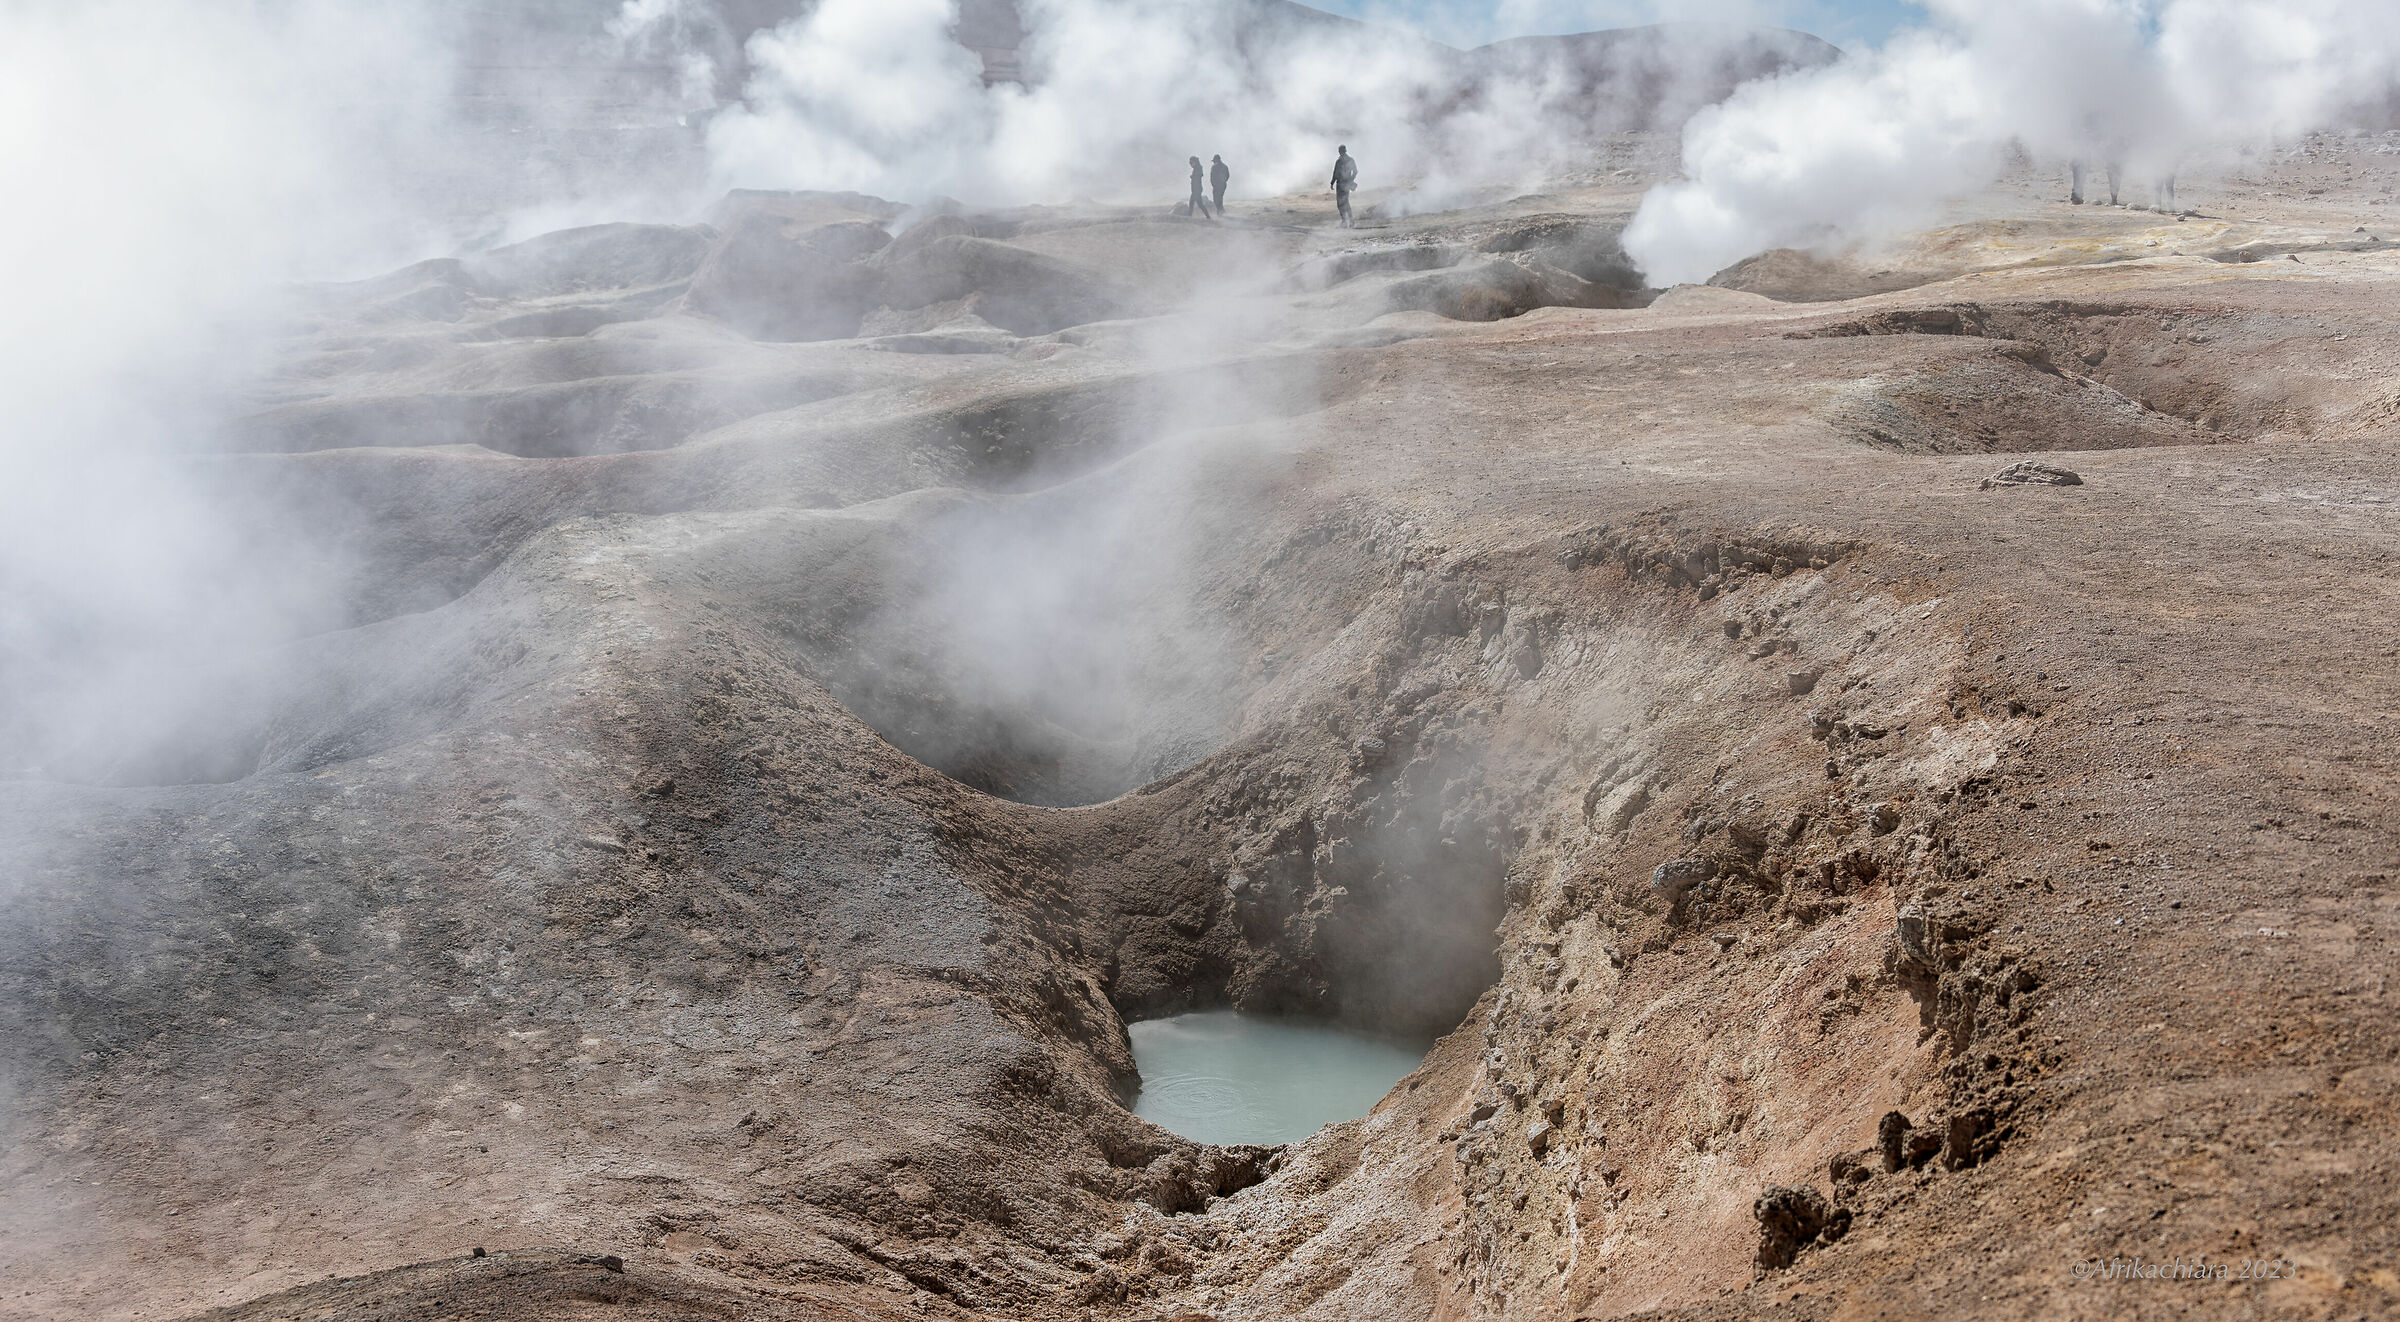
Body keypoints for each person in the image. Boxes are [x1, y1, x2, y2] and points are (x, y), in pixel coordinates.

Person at [1330, 144, 1358, 228]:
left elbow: (1335, 173)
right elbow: (1355, 171)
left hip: (1340, 184)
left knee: (1340, 204)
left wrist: (1332, 182)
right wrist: (1350, 180)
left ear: (1340, 151)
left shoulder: (1339, 161)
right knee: (1346, 202)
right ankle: (1351, 221)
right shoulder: (1350, 160)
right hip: (1346, 184)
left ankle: (1345, 222)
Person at [1187, 156, 1215, 221]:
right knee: (1199, 204)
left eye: (1191, 163)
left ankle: (1189, 217)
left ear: (1195, 162)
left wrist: (1193, 176)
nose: (1190, 164)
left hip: (1196, 190)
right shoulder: (1197, 168)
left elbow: (1198, 176)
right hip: (1196, 189)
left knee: (1192, 204)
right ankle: (1208, 216)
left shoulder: (1198, 168)